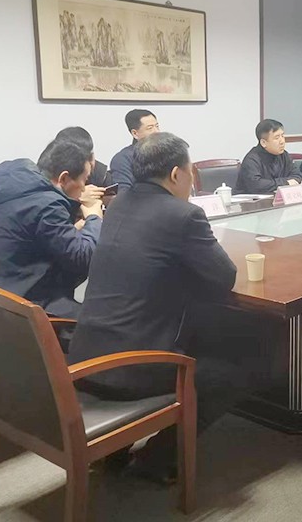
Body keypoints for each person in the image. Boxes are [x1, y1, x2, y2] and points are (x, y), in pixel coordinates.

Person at [68, 133, 240, 482]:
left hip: (85, 357)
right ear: (176, 174)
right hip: (131, 368)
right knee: (231, 372)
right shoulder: (184, 214)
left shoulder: (118, 205)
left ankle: (114, 452)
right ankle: (157, 459)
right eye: (190, 172)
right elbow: (225, 277)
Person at [0, 140, 102, 318]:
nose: (84, 188)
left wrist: (72, 230)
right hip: (12, 309)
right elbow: (83, 258)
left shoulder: (12, 182)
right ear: (64, 178)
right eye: (85, 180)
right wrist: (94, 217)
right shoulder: (45, 205)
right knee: (102, 323)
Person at [235, 119, 302, 193]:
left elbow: (297, 176)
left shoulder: (284, 155)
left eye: (282, 136)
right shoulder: (252, 160)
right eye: (277, 138)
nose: (282, 141)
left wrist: (282, 183)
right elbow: (256, 185)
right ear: (263, 143)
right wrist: (285, 183)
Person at [110, 109, 160, 192]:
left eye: (157, 126)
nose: (156, 131)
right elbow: (123, 193)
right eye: (150, 128)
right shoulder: (123, 159)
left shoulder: (166, 153)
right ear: (135, 133)